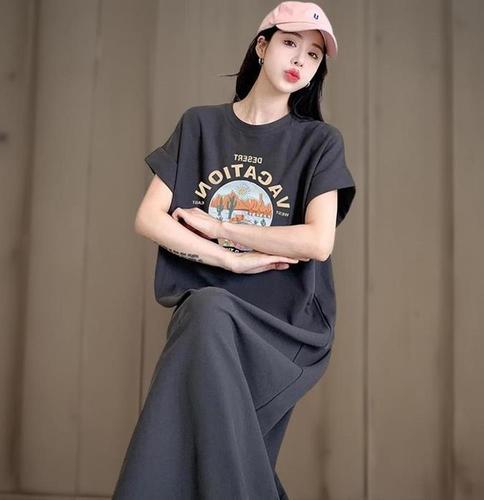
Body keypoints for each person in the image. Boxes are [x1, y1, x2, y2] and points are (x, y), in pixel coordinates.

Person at [112, 1, 356, 499]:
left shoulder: (320, 142)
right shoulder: (200, 125)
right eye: (290, 43)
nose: (300, 60)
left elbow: (317, 241)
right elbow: (148, 219)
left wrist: (221, 227)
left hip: (281, 324)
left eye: (313, 55)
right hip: (208, 315)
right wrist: (229, 259)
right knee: (208, 318)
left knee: (223, 445)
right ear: (262, 46)